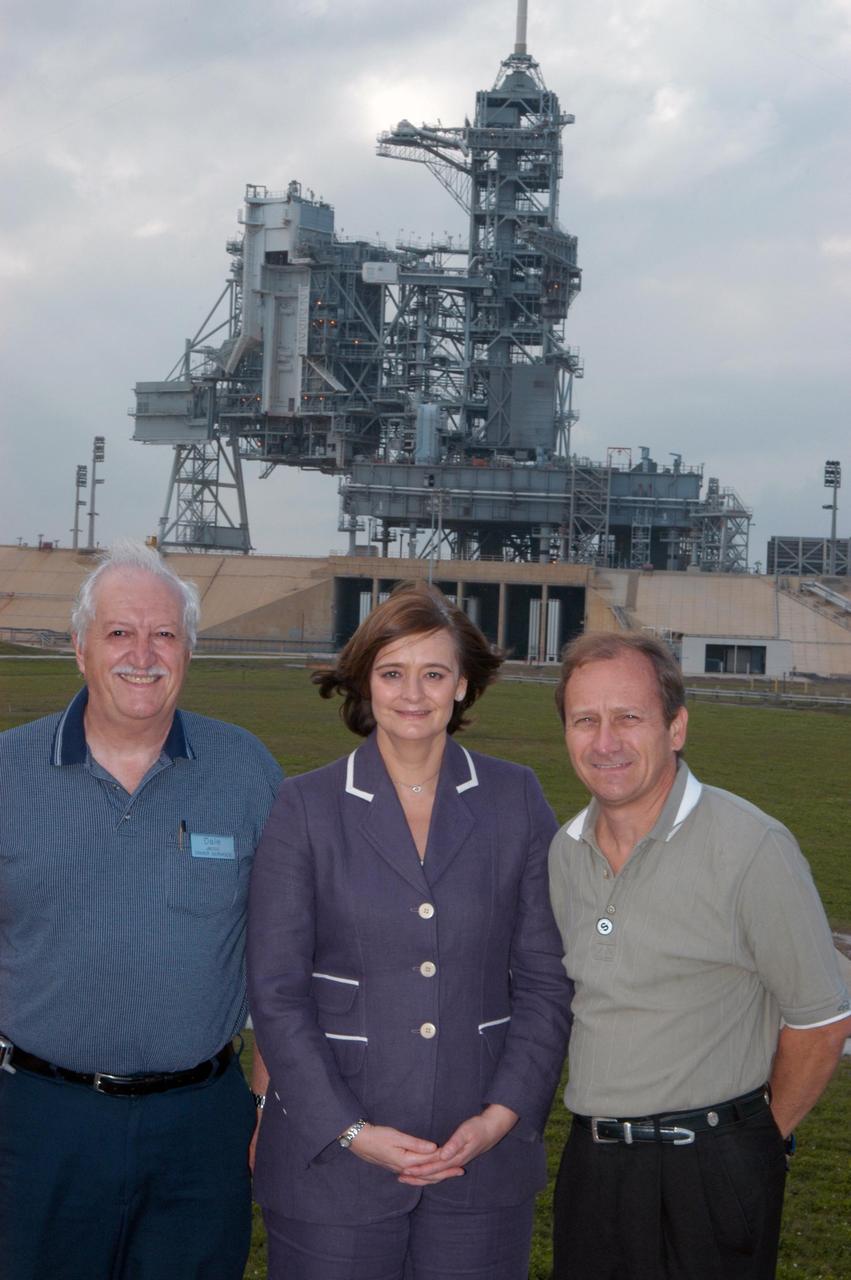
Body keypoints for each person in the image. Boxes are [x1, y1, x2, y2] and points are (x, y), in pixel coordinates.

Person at [247, 581, 572, 1280]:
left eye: (434, 673)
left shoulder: (516, 798)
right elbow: (276, 993)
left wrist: (500, 1117)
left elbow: (545, 980)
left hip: (477, 1164)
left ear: (462, 685)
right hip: (331, 1165)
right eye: (393, 672)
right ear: (366, 681)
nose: (413, 693)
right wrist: (351, 1130)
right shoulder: (304, 806)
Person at [0, 541, 283, 1280]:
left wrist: (264, 1098)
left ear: (189, 649)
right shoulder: (7, 772)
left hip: (200, 1128)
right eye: (119, 632)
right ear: (79, 647)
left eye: (164, 634)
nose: (142, 654)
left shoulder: (246, 770)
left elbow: (291, 950)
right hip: (37, 1122)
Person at [547, 630, 851, 1280]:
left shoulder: (751, 847)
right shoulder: (563, 851)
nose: (605, 741)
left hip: (711, 1167)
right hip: (593, 1166)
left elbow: (820, 1023)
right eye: (585, 720)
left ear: (675, 727)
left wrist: (756, 1145)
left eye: (628, 717)